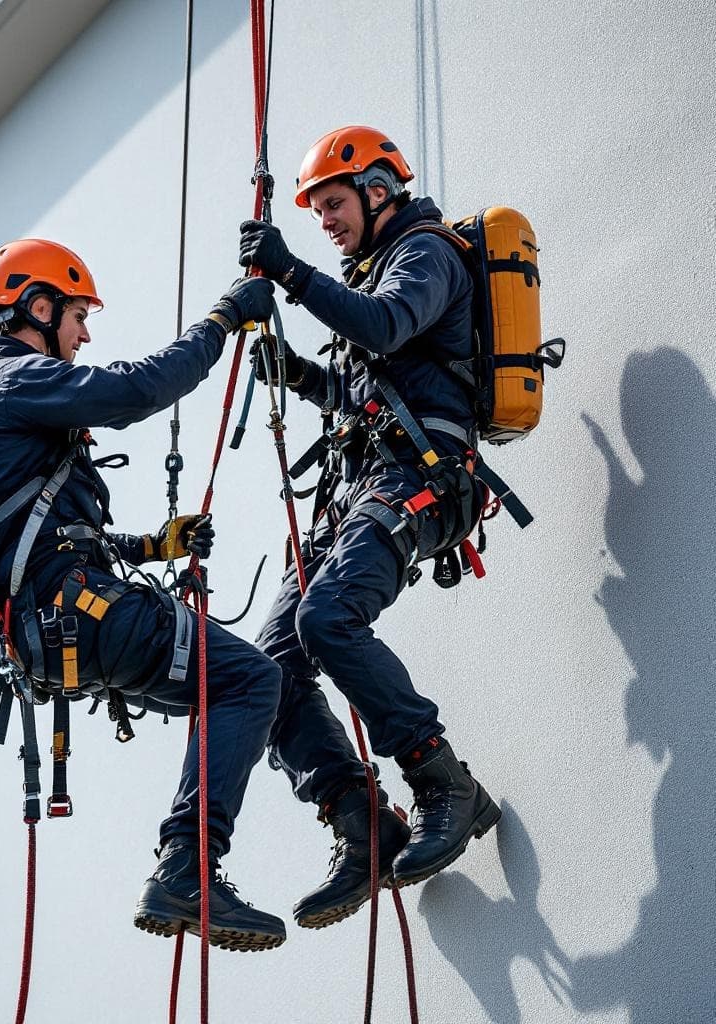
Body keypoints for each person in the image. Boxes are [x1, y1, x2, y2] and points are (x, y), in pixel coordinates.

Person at [0, 238, 286, 951]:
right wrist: (223, 320)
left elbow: (37, 534)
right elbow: (133, 391)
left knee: (236, 686)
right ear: (36, 308)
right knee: (252, 680)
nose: (84, 332)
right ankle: (189, 867)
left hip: (55, 624)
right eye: (75, 314)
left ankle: (199, 861)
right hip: (78, 615)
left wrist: (151, 547)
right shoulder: (13, 377)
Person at [237, 126, 501, 928]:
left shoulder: (425, 255)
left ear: (379, 191)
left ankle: (441, 781)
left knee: (327, 618)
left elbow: (385, 329)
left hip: (423, 480)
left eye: (334, 204)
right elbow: (372, 384)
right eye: (315, 211)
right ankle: (361, 823)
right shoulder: (373, 272)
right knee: (268, 666)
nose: (324, 220)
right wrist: (306, 377)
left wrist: (288, 270)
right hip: (362, 489)